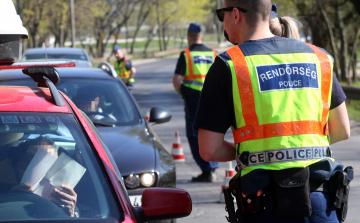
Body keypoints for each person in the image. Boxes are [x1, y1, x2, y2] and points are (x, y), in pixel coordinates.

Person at [194, 0, 351, 222]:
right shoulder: (319, 58)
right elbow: (342, 129)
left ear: (236, 15)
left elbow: (209, 150)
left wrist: (251, 154)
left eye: (222, 14)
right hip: (320, 201)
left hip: (262, 204)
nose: (222, 21)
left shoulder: (228, 64)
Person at [172, 23, 219, 182]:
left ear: (189, 37)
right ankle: (212, 166)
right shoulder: (213, 53)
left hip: (193, 100)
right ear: (202, 37)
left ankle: (207, 169)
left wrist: (182, 93)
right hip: (212, 99)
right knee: (212, 131)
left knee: (194, 134)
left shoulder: (186, 54)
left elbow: (177, 80)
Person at [11, 136, 78, 217]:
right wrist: (12, 201)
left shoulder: (67, 203)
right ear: (22, 168)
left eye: (56, 164)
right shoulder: (7, 198)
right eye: (47, 164)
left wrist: (69, 215)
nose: (53, 171)